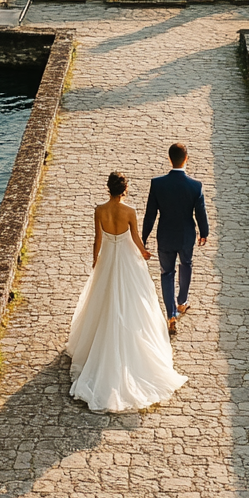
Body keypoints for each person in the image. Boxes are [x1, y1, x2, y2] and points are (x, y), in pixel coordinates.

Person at [66, 171, 187, 413]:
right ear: (124, 189)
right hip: (125, 259)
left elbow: (97, 239)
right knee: (133, 301)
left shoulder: (99, 210)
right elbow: (134, 238)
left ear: (108, 188)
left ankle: (95, 347)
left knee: (103, 299)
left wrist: (95, 260)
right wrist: (144, 253)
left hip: (108, 258)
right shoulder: (129, 211)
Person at [142, 142, 209, 335]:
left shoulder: (158, 184)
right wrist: (204, 233)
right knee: (186, 264)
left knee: (166, 273)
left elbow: (150, 214)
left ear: (169, 158)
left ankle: (170, 313)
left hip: (165, 234)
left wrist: (144, 237)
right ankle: (182, 302)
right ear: (186, 159)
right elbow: (200, 213)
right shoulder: (195, 186)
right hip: (186, 234)